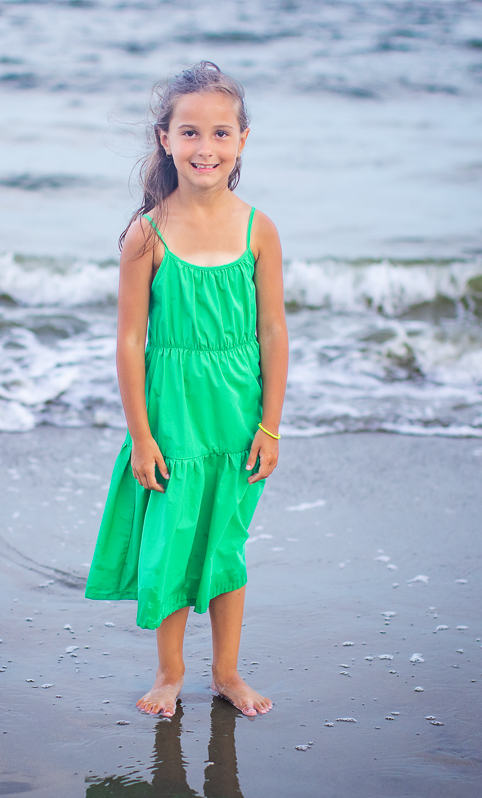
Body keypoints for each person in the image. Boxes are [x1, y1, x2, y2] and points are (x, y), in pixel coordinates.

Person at [84, 61, 288, 718]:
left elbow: (275, 334)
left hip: (236, 420)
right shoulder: (148, 234)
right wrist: (142, 436)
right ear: (165, 139)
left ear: (243, 141)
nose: (206, 148)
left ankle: (226, 672)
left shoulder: (260, 230)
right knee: (173, 541)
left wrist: (271, 424)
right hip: (173, 418)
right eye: (191, 133)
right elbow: (128, 340)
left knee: (225, 546)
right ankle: (170, 672)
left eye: (221, 134)